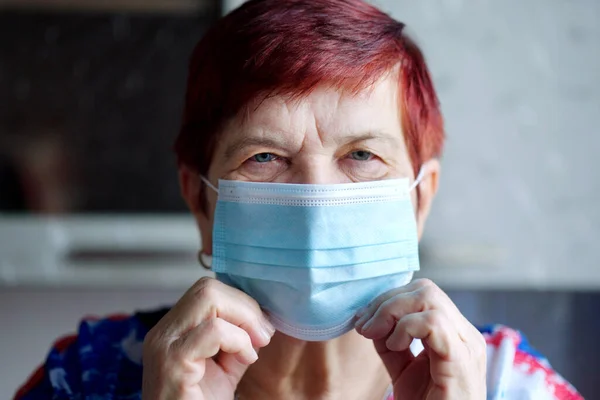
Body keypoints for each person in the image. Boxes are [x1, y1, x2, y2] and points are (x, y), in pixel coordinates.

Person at [15, 1, 582, 399]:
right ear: (201, 202)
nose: (317, 203)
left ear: (420, 199)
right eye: (263, 157)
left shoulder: (508, 385)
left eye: (362, 156)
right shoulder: (88, 378)